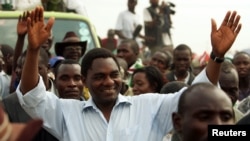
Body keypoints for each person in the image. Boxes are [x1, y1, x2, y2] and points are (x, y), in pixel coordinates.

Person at [16, 7, 241, 141]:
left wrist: (216, 56)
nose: (109, 81)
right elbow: (30, 95)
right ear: (85, 81)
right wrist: (34, 50)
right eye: (99, 76)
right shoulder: (66, 112)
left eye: (114, 74)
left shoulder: (150, 106)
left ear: (122, 75)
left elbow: (195, 96)